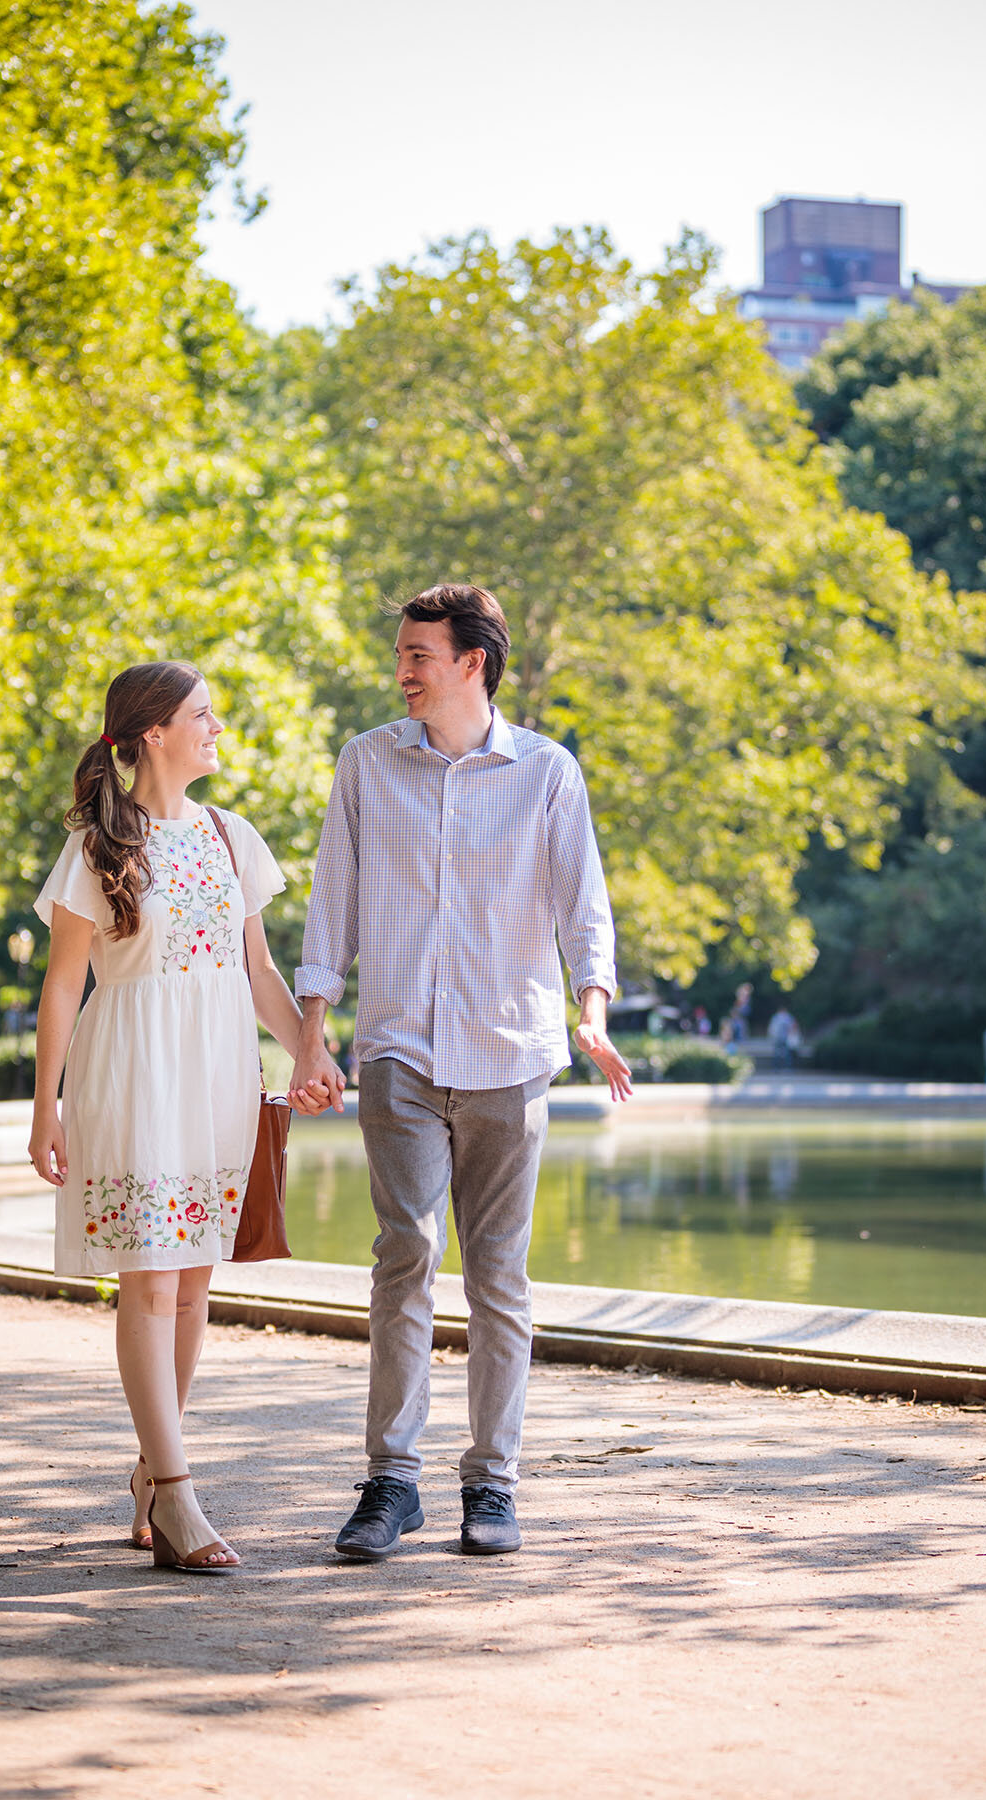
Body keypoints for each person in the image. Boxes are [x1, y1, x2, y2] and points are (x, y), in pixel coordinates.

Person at [288, 584, 632, 1560]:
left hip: (510, 1052)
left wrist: (591, 1014)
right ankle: (391, 1484)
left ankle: (493, 1485)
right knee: (403, 1257)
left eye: (418, 655)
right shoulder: (367, 764)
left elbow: (584, 909)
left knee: (497, 1276)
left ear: (472, 664)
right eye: (401, 653)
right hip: (397, 1043)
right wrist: (312, 1034)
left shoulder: (547, 774)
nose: (402, 669)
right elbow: (333, 906)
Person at [28, 661, 306, 1573]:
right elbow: (64, 982)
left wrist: (311, 1050)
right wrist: (47, 1109)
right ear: (154, 733)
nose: (217, 726)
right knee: (148, 1281)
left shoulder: (232, 837)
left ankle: (154, 1469)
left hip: (219, 1071)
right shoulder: (99, 844)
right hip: (133, 1072)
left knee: (192, 1286)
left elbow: (259, 973)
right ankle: (182, 1499)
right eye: (202, 714)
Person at [767, 1005, 799, 1069]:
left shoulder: (776, 1017)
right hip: (785, 1038)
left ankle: (776, 1067)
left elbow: (771, 1028)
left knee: (778, 1053)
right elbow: (793, 1026)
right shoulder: (788, 1017)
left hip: (780, 1038)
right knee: (786, 1054)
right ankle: (787, 1067)